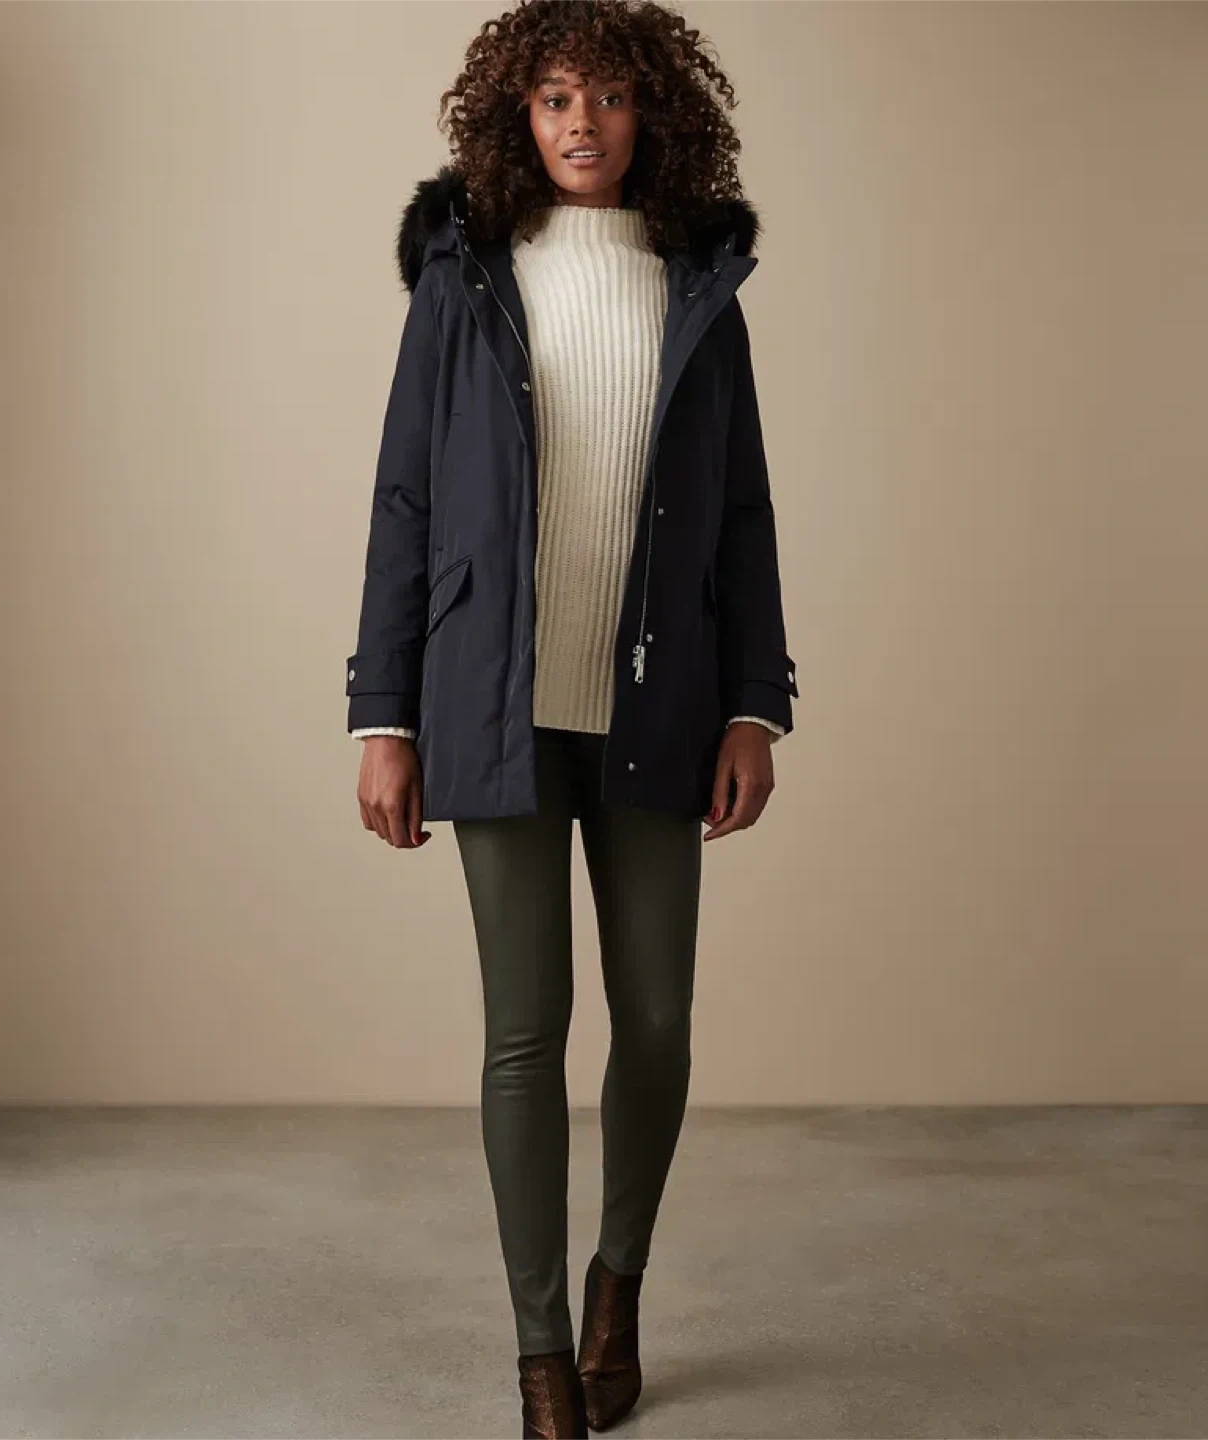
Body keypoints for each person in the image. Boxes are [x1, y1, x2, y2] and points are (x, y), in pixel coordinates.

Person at [345, 2, 798, 1433]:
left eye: (607, 95)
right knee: (524, 1030)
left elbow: (742, 513)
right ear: (518, 118)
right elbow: (406, 501)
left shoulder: (699, 288)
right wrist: (382, 716)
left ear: (652, 112)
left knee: (655, 1019)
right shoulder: (462, 279)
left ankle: (619, 1281)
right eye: (554, 98)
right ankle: (542, 1349)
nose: (582, 122)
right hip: (494, 708)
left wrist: (755, 706)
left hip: (662, 704)